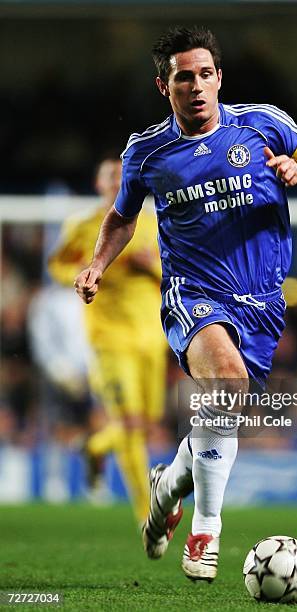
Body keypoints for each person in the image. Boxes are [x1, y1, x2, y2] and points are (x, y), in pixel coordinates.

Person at [74, 26, 297, 581]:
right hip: (193, 295)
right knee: (225, 380)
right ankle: (207, 531)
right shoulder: (148, 153)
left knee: (225, 407)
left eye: (204, 74)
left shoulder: (263, 123)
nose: (196, 86)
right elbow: (123, 216)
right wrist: (98, 265)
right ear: (164, 86)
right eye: (183, 77)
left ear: (219, 78)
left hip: (264, 303)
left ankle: (170, 482)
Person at [49, 158, 167, 526]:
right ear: (98, 185)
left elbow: (175, 272)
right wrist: (85, 270)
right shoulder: (83, 227)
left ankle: (95, 447)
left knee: (148, 423)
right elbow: (59, 267)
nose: (118, 182)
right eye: (110, 177)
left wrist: (150, 266)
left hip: (152, 337)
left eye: (123, 176)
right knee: (130, 424)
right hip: (109, 340)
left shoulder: (156, 224)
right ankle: (148, 514)